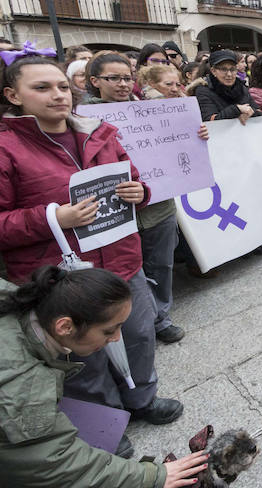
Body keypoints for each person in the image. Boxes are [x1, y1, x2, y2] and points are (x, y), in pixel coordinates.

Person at [0, 54, 184, 458]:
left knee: (138, 335)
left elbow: (131, 177)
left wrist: (141, 192)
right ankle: (106, 433)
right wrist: (53, 218)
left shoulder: (99, 132)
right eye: (42, 88)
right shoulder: (5, 148)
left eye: (62, 86)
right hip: (60, 279)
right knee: (83, 361)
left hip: (120, 262)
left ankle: (143, 400)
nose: (57, 96)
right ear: (13, 95)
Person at [0, 267, 210, 487]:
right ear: (65, 326)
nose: (117, 338)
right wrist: (152, 477)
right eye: (109, 331)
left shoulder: (18, 307)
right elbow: (55, 463)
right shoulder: (23, 386)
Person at [89, 55, 204, 345]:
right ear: (95, 82)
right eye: (113, 78)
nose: (122, 84)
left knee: (161, 266)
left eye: (126, 77)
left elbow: (181, 143)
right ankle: (131, 323)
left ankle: (160, 318)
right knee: (127, 271)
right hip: (114, 212)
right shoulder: (82, 119)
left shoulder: (153, 111)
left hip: (158, 205)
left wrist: (198, 133)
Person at [194, 49, 260, 124]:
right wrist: (236, 109)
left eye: (232, 69)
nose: (229, 74)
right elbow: (210, 121)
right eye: (223, 69)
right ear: (213, 71)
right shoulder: (203, 90)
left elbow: (257, 110)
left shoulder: (242, 87)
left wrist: (250, 113)